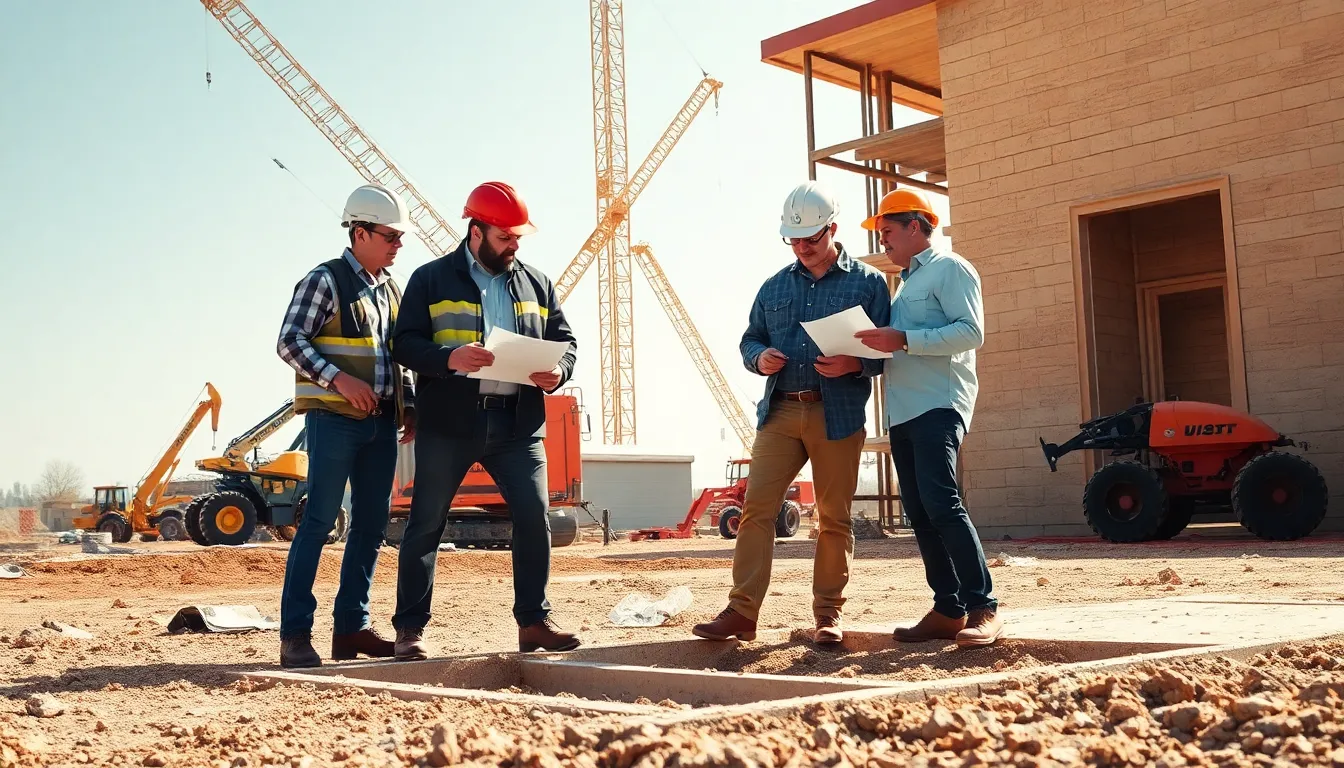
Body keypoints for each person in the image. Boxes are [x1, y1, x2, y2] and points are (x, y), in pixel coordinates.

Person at [692, 181, 890, 648]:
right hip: (781, 410)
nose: (802, 249)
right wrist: (759, 358)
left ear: (833, 230)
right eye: (794, 241)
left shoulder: (868, 282)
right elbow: (749, 341)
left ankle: (827, 615)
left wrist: (855, 364)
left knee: (834, 518)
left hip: (837, 413)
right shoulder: (774, 286)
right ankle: (742, 613)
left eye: (811, 240)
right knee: (756, 510)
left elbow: (885, 351)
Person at [388, 181, 579, 660]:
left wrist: (559, 372)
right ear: (476, 232)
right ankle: (410, 630)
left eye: (518, 238)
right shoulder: (429, 280)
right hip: (450, 424)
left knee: (535, 519)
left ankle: (533, 623)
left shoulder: (537, 282)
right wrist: (448, 358)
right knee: (426, 524)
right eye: (505, 237)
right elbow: (404, 344)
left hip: (518, 427)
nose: (514, 245)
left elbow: (566, 340)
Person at [276, 183, 418, 668]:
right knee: (318, 522)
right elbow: (290, 341)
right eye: (390, 236)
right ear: (360, 233)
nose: (398, 245)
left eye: (400, 238)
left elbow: (398, 357)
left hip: (381, 425)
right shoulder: (325, 280)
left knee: (372, 525)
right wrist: (338, 380)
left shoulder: (390, 290)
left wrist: (411, 406)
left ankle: (350, 629)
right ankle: (295, 635)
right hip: (335, 421)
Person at [854, 188, 1002, 648]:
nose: (884, 243)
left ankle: (984, 608)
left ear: (916, 226)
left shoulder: (951, 269)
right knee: (918, 510)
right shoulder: (905, 286)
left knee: (941, 503)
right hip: (904, 410)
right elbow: (899, 341)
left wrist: (903, 339)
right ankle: (947, 608)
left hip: (939, 403)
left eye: (889, 232)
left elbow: (971, 331)